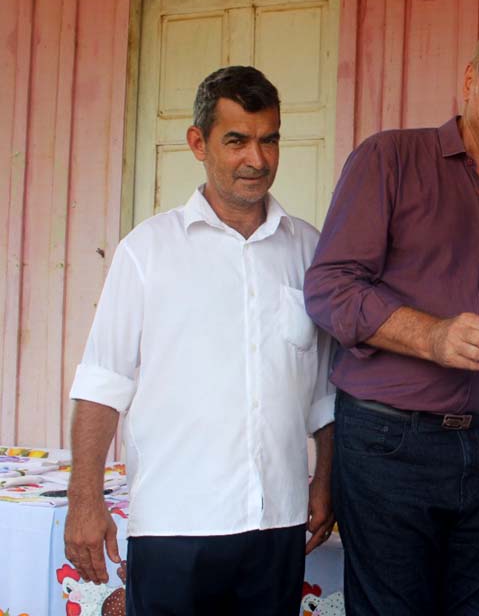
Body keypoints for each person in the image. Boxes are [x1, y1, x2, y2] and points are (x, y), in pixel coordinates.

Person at [303, 19, 479, 616]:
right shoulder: (390, 158)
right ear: (470, 80)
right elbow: (329, 288)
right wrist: (432, 336)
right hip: (389, 441)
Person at [65, 65, 336, 614]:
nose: (256, 160)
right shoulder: (147, 251)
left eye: (269, 140)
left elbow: (324, 393)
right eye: (236, 140)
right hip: (174, 524)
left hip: (276, 522)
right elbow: (103, 382)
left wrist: (326, 480)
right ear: (198, 142)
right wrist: (84, 498)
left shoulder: (309, 252)